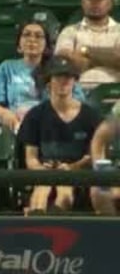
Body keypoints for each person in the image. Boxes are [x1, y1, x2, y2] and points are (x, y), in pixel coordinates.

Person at [18, 57, 102, 214]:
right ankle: (36, 221)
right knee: (41, 191)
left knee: (65, 192)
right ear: (49, 81)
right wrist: (42, 170)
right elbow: (31, 157)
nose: (63, 82)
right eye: (58, 77)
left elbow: (93, 156)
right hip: (44, 173)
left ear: (74, 81)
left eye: (68, 77)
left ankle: (56, 219)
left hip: (77, 175)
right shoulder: (35, 115)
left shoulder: (91, 116)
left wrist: (72, 167)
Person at [0, 21, 75, 132]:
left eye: (38, 36)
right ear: (19, 45)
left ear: (46, 46)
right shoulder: (6, 67)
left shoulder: (59, 69)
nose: (32, 39)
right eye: (26, 35)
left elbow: (77, 103)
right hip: (16, 125)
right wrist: (6, 114)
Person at [54, 0, 120, 87]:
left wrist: (86, 51)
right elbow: (65, 60)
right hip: (79, 92)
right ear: (82, 2)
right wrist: (109, 57)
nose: (94, 3)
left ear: (110, 3)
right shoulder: (70, 31)